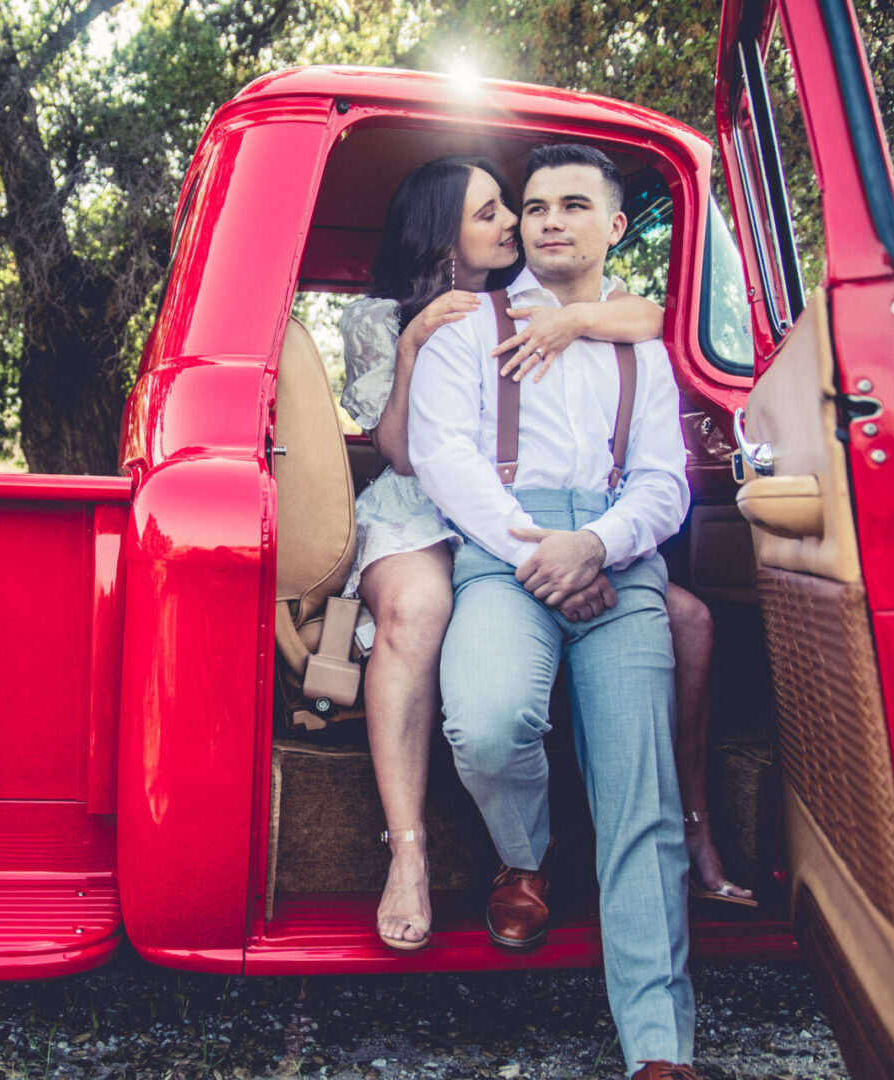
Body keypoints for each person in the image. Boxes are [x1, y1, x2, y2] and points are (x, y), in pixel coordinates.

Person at [408, 143, 701, 1077]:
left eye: (573, 205)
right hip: (507, 549)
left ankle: (659, 1049)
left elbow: (665, 483)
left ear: (614, 227)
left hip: (619, 560)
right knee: (487, 725)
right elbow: (442, 455)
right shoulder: (465, 327)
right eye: (533, 206)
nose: (546, 220)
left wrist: (601, 546)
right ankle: (524, 856)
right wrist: (541, 550)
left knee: (640, 800)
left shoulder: (644, 348)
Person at [339, 156, 671, 950]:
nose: (517, 225)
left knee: (684, 620)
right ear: (443, 230)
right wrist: (417, 342)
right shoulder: (383, 318)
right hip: (422, 505)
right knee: (421, 610)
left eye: (507, 210)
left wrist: (576, 321)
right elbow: (408, 453)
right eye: (493, 212)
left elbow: (650, 318)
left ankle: (686, 833)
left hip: (512, 513)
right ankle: (409, 851)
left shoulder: (534, 301)